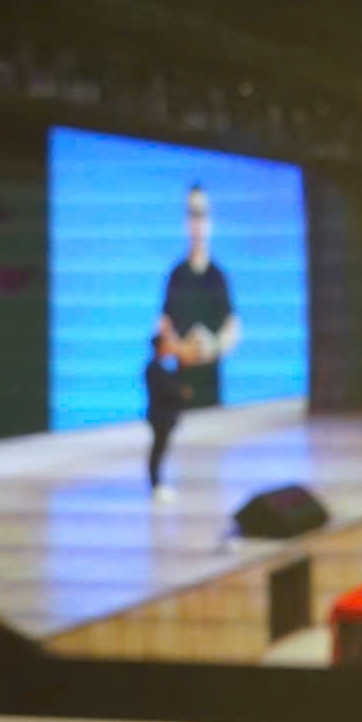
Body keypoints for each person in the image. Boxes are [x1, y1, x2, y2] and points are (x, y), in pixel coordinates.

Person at [145, 182, 241, 500]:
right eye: (191, 214)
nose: (197, 222)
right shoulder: (176, 275)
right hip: (180, 390)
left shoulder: (218, 276)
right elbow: (163, 327)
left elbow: (233, 328)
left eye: (202, 214)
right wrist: (180, 349)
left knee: (214, 471)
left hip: (212, 388)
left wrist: (214, 347)